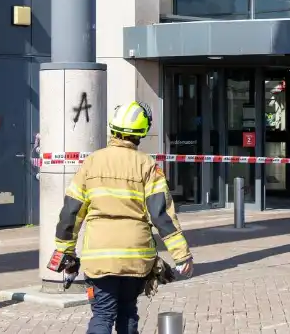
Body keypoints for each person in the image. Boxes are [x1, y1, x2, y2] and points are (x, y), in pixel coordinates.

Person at [48, 101, 195, 334]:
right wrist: (181, 255)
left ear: (113, 127)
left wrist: (64, 251)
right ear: (142, 132)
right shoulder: (147, 165)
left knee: (103, 315)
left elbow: (71, 212)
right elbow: (161, 215)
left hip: (99, 258)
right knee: (128, 312)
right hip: (136, 258)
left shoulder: (91, 163)